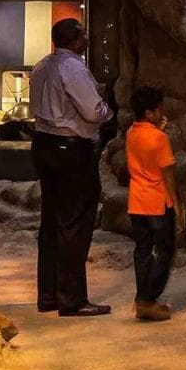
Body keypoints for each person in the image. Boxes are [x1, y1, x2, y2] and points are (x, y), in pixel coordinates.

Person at [30, 16, 113, 317]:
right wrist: (107, 110)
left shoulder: (42, 66)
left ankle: (48, 294)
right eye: (85, 34)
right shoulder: (73, 67)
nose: (88, 38)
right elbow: (92, 111)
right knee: (75, 222)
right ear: (76, 40)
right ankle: (72, 299)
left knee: (51, 221)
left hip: (44, 144)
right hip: (70, 150)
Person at [126, 86, 179, 322]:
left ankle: (142, 299)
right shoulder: (160, 138)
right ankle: (148, 299)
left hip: (137, 201)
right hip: (157, 202)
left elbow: (146, 146)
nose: (161, 113)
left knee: (143, 251)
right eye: (158, 110)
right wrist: (176, 203)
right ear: (149, 113)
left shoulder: (130, 132)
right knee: (165, 251)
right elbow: (167, 173)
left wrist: (159, 130)